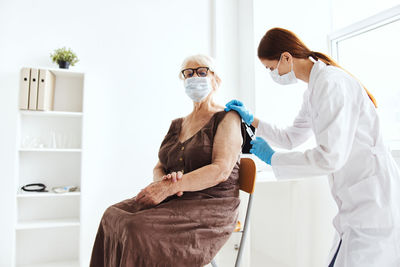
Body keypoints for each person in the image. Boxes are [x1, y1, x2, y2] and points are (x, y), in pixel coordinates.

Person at [225, 28, 400, 267]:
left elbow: (330, 158)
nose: (272, 74)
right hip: (354, 203)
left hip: (372, 199)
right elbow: (291, 137)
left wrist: (274, 158)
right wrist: (253, 120)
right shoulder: (314, 90)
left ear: (286, 57)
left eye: (270, 68)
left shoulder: (331, 83)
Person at [90, 54, 245, 267]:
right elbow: (160, 165)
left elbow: (221, 170)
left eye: (202, 71)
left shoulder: (228, 117)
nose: (194, 77)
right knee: (112, 215)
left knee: (135, 227)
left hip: (210, 204)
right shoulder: (178, 124)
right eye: (188, 73)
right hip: (175, 199)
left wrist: (171, 188)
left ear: (216, 80)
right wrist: (164, 182)